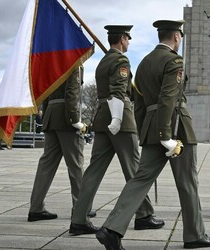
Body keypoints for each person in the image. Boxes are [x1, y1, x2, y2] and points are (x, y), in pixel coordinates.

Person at [94, 20, 210, 249]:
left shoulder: (143, 63)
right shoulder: (174, 61)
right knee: (188, 182)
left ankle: (111, 228)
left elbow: (138, 103)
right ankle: (194, 235)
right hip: (176, 128)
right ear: (177, 37)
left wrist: (147, 131)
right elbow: (169, 98)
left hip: (152, 126)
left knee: (140, 179)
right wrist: (166, 135)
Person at [70, 25, 164, 236]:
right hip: (119, 120)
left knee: (94, 171)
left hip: (102, 118)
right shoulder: (121, 61)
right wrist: (118, 118)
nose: (129, 43)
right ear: (122, 39)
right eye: (128, 39)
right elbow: (118, 92)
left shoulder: (104, 62)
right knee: (135, 170)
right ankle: (144, 215)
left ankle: (78, 219)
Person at [27, 67, 92, 223]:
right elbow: (72, 93)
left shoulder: (53, 63)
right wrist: (75, 120)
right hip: (66, 118)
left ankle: (36, 208)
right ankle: (80, 208)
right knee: (76, 165)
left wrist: (47, 116)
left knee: (46, 166)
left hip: (51, 116)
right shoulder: (73, 63)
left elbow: (46, 93)